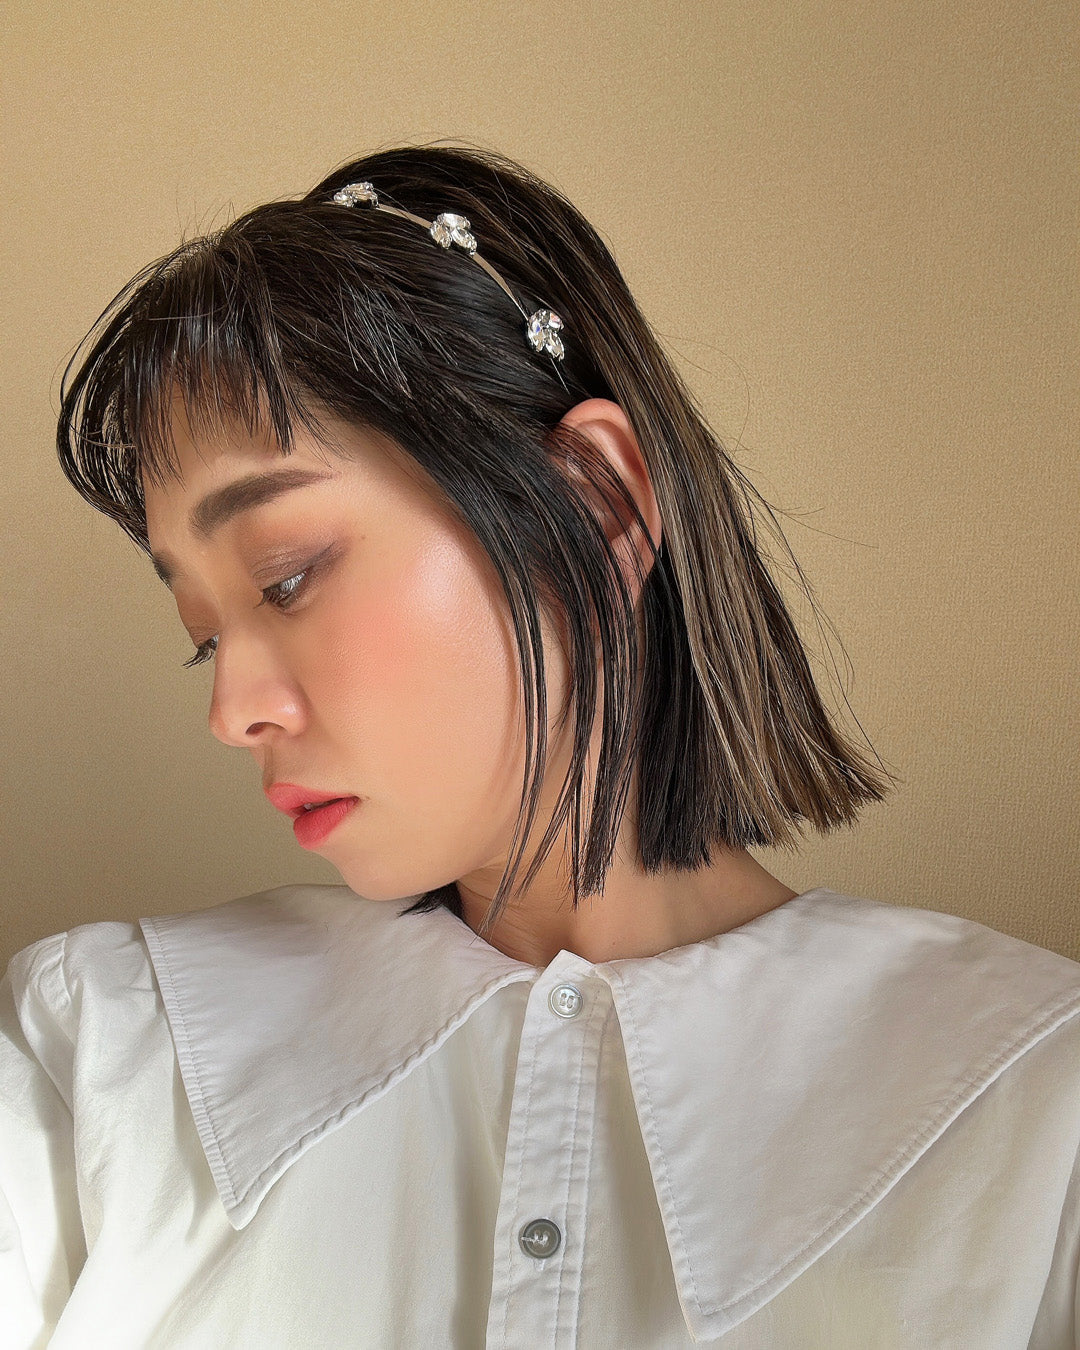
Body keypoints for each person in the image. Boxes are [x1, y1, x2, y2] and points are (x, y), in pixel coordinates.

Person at [2, 143, 1077, 1349]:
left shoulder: (1034, 1107)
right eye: (203, 635)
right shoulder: (97, 1052)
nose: (230, 709)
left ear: (595, 501)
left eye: (286, 576)